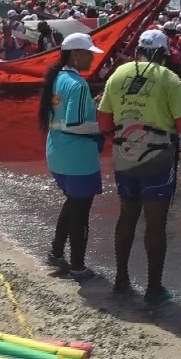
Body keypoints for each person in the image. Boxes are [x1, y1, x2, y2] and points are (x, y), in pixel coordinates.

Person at [96, 30, 181, 305]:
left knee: (126, 217)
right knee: (155, 224)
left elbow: (104, 123)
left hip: (124, 156)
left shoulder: (117, 75)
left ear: (138, 50)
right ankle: (153, 290)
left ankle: (121, 281)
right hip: (158, 160)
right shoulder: (168, 78)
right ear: (163, 53)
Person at [40, 33, 105, 280]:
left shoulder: (57, 78)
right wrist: (104, 127)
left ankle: (56, 251)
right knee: (81, 212)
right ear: (76, 54)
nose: (92, 59)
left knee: (72, 203)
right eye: (89, 54)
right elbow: (76, 123)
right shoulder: (78, 84)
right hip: (77, 157)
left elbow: (59, 117)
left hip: (56, 152)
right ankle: (78, 266)